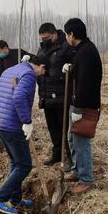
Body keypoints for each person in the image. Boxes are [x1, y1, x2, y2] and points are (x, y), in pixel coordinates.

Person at [0, 55, 48, 214]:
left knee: (16, 162)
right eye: (43, 71)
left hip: (0, 123)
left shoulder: (12, 70)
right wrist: (26, 121)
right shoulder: (29, 75)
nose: (42, 74)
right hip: (13, 126)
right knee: (25, 165)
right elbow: (19, 96)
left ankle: (14, 199)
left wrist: (5, 101)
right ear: (40, 66)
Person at [62, 18, 102, 195]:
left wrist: (78, 108)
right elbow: (81, 74)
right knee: (73, 139)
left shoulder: (87, 52)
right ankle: (78, 171)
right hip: (77, 103)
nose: (66, 38)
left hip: (84, 106)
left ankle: (86, 179)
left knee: (81, 141)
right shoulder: (81, 50)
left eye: (66, 34)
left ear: (72, 34)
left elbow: (86, 83)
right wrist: (72, 68)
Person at [36, 23, 75, 166]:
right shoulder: (41, 49)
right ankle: (57, 155)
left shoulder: (66, 47)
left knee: (66, 129)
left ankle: (71, 159)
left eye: (46, 37)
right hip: (46, 95)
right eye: (42, 38)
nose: (44, 40)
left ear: (54, 34)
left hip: (61, 96)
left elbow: (73, 69)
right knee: (53, 129)